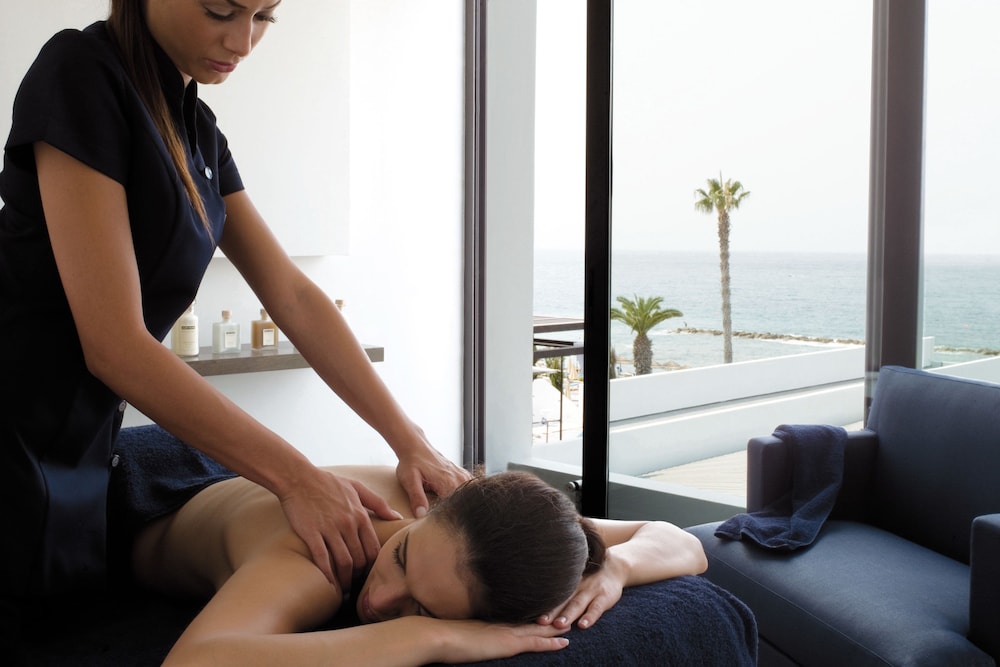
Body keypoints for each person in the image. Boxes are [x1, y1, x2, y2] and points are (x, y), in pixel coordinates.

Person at [0, 0, 469, 618]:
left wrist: (410, 440)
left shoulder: (196, 130)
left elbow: (292, 296)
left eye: (265, 17)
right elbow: (114, 344)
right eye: (221, 10)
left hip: (84, 437)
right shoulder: (80, 73)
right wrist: (297, 478)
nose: (243, 41)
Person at [116, 432, 708, 666]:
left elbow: (679, 540)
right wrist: (426, 635)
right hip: (136, 500)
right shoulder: (313, 561)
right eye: (400, 557)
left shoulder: (498, 529)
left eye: (421, 607)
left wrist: (616, 569)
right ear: (439, 505)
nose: (380, 601)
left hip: (229, 487)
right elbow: (195, 661)